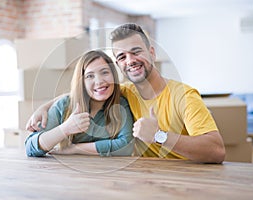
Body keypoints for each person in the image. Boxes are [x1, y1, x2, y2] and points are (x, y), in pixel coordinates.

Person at [26, 23, 225, 163]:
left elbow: (217, 151)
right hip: (142, 177)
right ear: (119, 64)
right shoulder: (125, 91)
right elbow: (87, 91)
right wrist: (46, 106)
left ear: (152, 53)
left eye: (136, 51)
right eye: (122, 56)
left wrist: (159, 136)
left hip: (187, 178)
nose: (129, 60)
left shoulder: (184, 96)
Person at [25, 50, 134, 157]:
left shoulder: (121, 105)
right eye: (90, 76)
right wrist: (65, 129)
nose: (99, 81)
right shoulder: (64, 106)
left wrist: (75, 148)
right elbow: (31, 147)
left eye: (104, 72)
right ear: (81, 82)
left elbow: (127, 147)